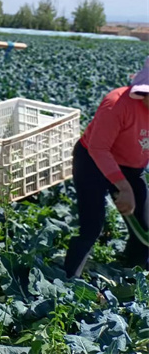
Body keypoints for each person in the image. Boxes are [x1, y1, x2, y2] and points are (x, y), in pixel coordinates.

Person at [64, 58, 149, 278]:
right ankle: (68, 281)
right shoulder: (117, 104)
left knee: (144, 225)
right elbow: (98, 148)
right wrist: (123, 187)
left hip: (131, 165)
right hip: (92, 162)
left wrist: (129, 185)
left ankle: (134, 272)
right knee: (92, 226)